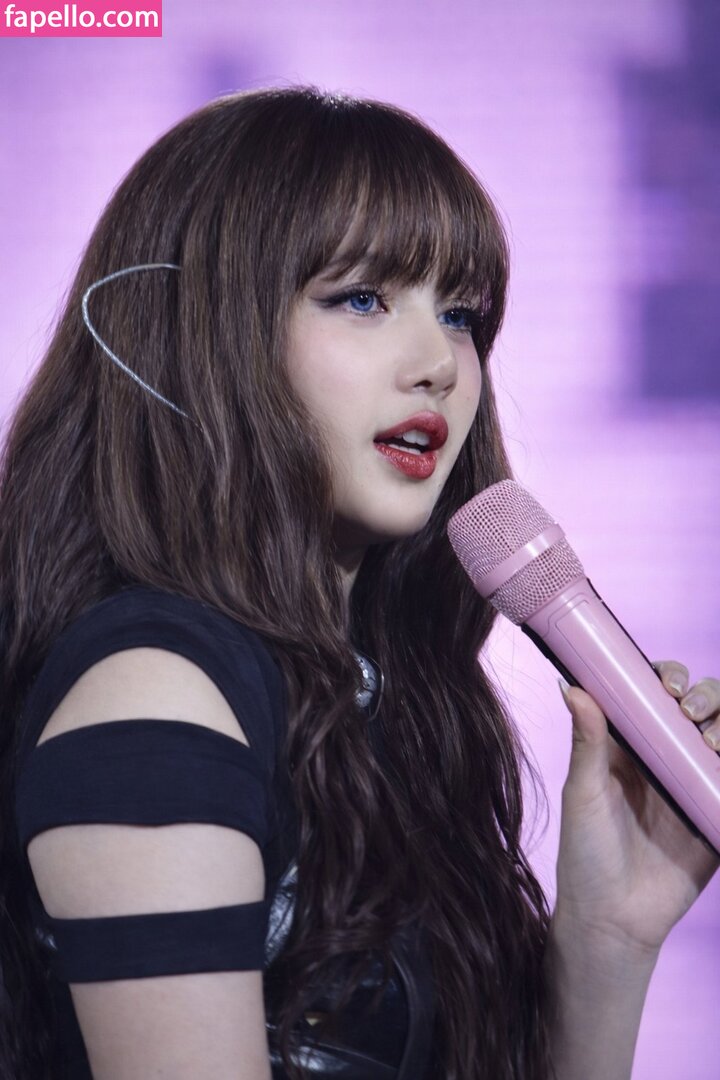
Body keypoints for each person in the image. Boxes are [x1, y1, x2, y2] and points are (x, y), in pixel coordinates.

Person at [0, 86, 717, 1080]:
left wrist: (608, 940)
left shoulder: (378, 705)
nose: (438, 365)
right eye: (363, 299)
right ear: (198, 331)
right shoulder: (159, 694)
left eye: (460, 315)